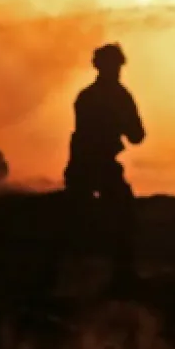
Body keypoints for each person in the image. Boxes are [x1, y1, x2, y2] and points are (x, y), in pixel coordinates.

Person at [64, 42, 146, 291]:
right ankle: (121, 277)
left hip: (81, 165)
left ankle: (73, 278)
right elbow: (137, 135)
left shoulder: (86, 96)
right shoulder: (119, 96)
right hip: (99, 164)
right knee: (125, 217)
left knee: (75, 220)